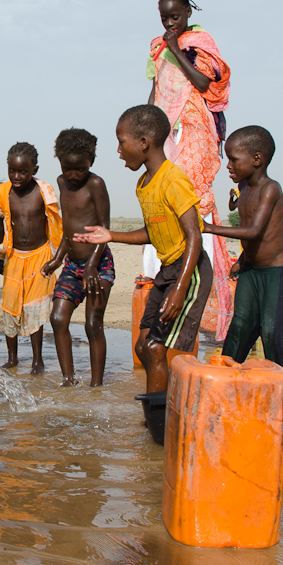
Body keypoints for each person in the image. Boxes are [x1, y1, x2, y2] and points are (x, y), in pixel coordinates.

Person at [75, 105, 212, 394]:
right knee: (143, 344)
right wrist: (111, 235)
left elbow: (194, 235)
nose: (118, 150)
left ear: (144, 143)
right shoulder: (144, 184)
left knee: (153, 346)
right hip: (168, 271)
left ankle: (161, 417)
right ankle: (155, 412)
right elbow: (154, 231)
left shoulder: (173, 180)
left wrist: (180, 288)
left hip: (191, 270)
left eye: (121, 142)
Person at [146, 0, 233, 342]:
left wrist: (177, 48)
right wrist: (147, 124)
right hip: (168, 130)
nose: (170, 24)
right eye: (165, 19)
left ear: (188, 12)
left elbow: (203, 83)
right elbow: (155, 90)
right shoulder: (157, 48)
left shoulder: (199, 44)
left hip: (194, 127)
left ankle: (198, 269)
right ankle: (163, 268)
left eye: (176, 17)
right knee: (164, 193)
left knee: (191, 197)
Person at [201, 126, 283, 404]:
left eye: (233, 159)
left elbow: (256, 231)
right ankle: (225, 381)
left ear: (257, 159)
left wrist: (209, 228)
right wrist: (242, 261)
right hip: (250, 271)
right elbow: (244, 220)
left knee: (271, 331)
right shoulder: (244, 188)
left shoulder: (271, 189)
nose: (228, 165)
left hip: (273, 274)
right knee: (241, 326)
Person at [41, 128, 113, 386]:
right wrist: (58, 258)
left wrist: (93, 265)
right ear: (59, 162)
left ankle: (96, 386)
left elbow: (104, 228)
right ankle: (68, 380)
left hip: (98, 261)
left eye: (79, 169)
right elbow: (68, 228)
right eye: (67, 168)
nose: (73, 175)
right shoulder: (61, 183)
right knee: (58, 318)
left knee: (93, 324)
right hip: (72, 264)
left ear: (90, 162)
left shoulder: (95, 184)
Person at [0, 142, 62, 374]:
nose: (16, 176)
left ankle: (37, 360)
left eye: (23, 171)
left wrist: (56, 258)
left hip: (40, 257)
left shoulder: (43, 192)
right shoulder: (3, 193)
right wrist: (2, 255)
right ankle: (12, 358)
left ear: (35, 169)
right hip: (14, 257)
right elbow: (2, 224)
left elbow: (55, 224)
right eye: (12, 170)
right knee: (10, 307)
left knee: (35, 310)